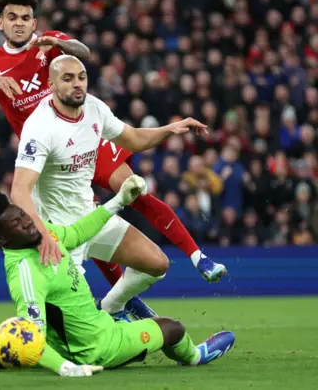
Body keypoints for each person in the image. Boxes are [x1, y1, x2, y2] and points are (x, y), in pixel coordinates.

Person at [0, 0, 226, 287]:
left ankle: (197, 257)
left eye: (26, 17)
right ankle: (123, 301)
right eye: (12, 17)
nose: (20, 23)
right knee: (84, 218)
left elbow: (83, 53)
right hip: (49, 156)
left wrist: (60, 44)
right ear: (0, 23)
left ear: (34, 23)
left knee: (134, 189)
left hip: (83, 132)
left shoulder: (47, 43)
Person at [0, 185, 235, 376]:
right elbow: (32, 336)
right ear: (2, 238)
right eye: (16, 224)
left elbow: (76, 233)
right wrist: (65, 368)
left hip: (95, 325)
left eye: (23, 215)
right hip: (98, 348)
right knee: (172, 328)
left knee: (121, 320)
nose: (27, 222)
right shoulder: (26, 273)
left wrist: (118, 201)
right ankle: (196, 355)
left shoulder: (42, 234)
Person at [12, 55, 213, 319]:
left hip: (91, 219)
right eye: (68, 78)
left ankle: (111, 307)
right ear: (50, 84)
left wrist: (171, 128)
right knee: (68, 329)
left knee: (157, 263)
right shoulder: (40, 126)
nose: (77, 84)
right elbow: (19, 190)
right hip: (59, 231)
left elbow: (134, 138)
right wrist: (43, 235)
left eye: (81, 77)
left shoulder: (95, 108)